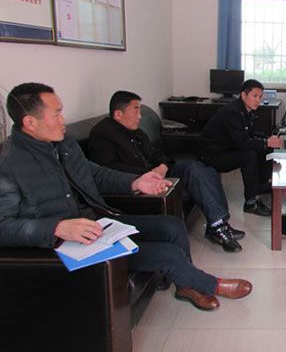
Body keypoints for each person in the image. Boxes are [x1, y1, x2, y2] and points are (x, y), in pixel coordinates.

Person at [0, 83, 253, 311]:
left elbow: (94, 173)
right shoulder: (9, 165)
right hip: (66, 243)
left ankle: (186, 285)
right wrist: (57, 227)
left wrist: (135, 182)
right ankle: (210, 284)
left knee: (173, 226)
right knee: (168, 253)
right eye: (56, 114)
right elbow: (3, 227)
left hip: (97, 222)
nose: (62, 119)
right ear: (30, 122)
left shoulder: (62, 144)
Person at [87, 91, 244, 253]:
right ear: (118, 114)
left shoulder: (136, 132)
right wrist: (145, 174)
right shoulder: (103, 134)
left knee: (205, 169)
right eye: (136, 110)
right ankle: (218, 227)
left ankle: (220, 223)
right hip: (141, 186)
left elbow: (155, 153)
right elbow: (108, 170)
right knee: (196, 173)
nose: (140, 116)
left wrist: (163, 165)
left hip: (158, 175)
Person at [197, 79, 282, 217]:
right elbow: (243, 142)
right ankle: (250, 203)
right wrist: (266, 142)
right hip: (212, 155)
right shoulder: (232, 112)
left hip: (227, 148)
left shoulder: (245, 110)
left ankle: (261, 186)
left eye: (260, 97)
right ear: (243, 95)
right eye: (255, 96)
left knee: (263, 147)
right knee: (249, 155)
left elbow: (249, 134)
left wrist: (267, 139)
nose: (258, 100)